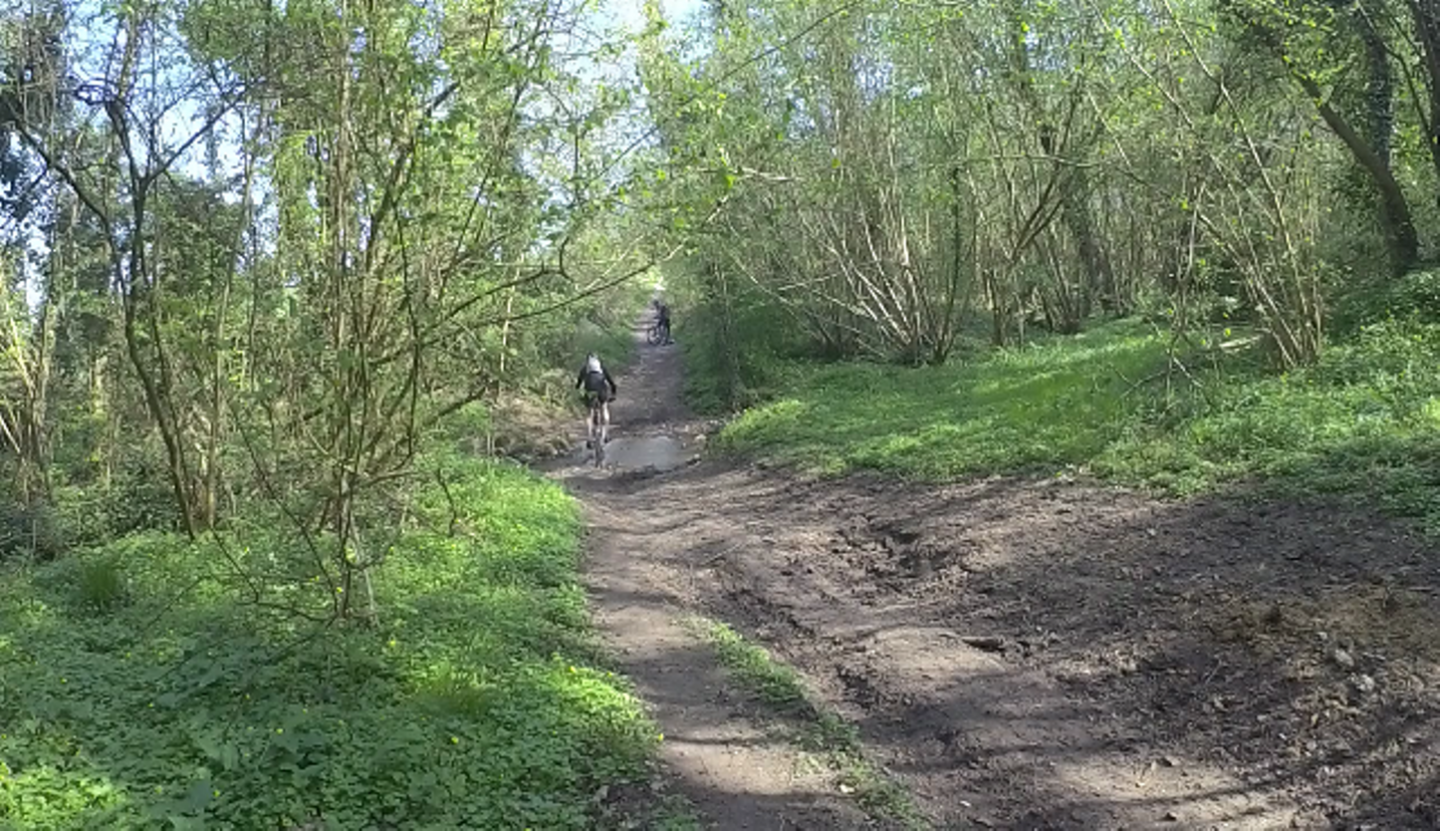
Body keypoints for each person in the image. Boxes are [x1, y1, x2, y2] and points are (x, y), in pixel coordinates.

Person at [575, 352, 617, 448]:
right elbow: (611, 382)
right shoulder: (602, 368)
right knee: (604, 408)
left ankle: (589, 438)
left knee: (589, 414)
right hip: (601, 391)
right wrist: (613, 393)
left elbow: (578, 384)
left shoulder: (585, 369)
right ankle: (605, 434)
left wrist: (579, 394)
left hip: (590, 390)